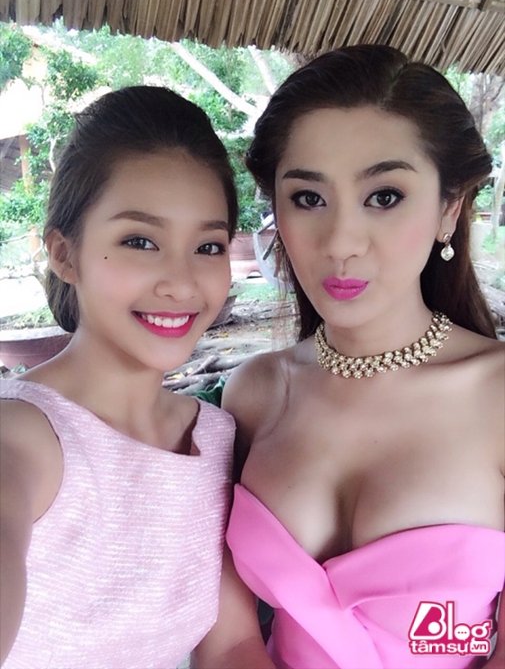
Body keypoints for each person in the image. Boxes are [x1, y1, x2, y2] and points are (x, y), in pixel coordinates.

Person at [223, 46, 505, 669]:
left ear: (450, 208)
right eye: (308, 198)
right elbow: (231, 640)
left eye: (384, 196)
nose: (341, 243)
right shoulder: (254, 394)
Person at [0, 86, 273, 669]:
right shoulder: (22, 436)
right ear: (64, 254)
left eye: (208, 246)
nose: (181, 282)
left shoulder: (217, 438)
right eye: (140, 241)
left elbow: (233, 645)